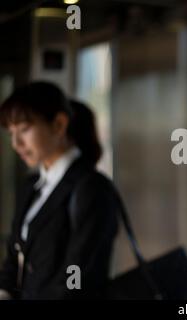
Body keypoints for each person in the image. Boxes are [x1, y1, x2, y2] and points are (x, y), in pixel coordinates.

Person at [0, 82, 119, 299]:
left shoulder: (92, 188)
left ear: (58, 125)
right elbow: (14, 255)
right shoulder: (32, 186)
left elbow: (78, 277)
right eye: (11, 132)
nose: (16, 143)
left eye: (24, 129)